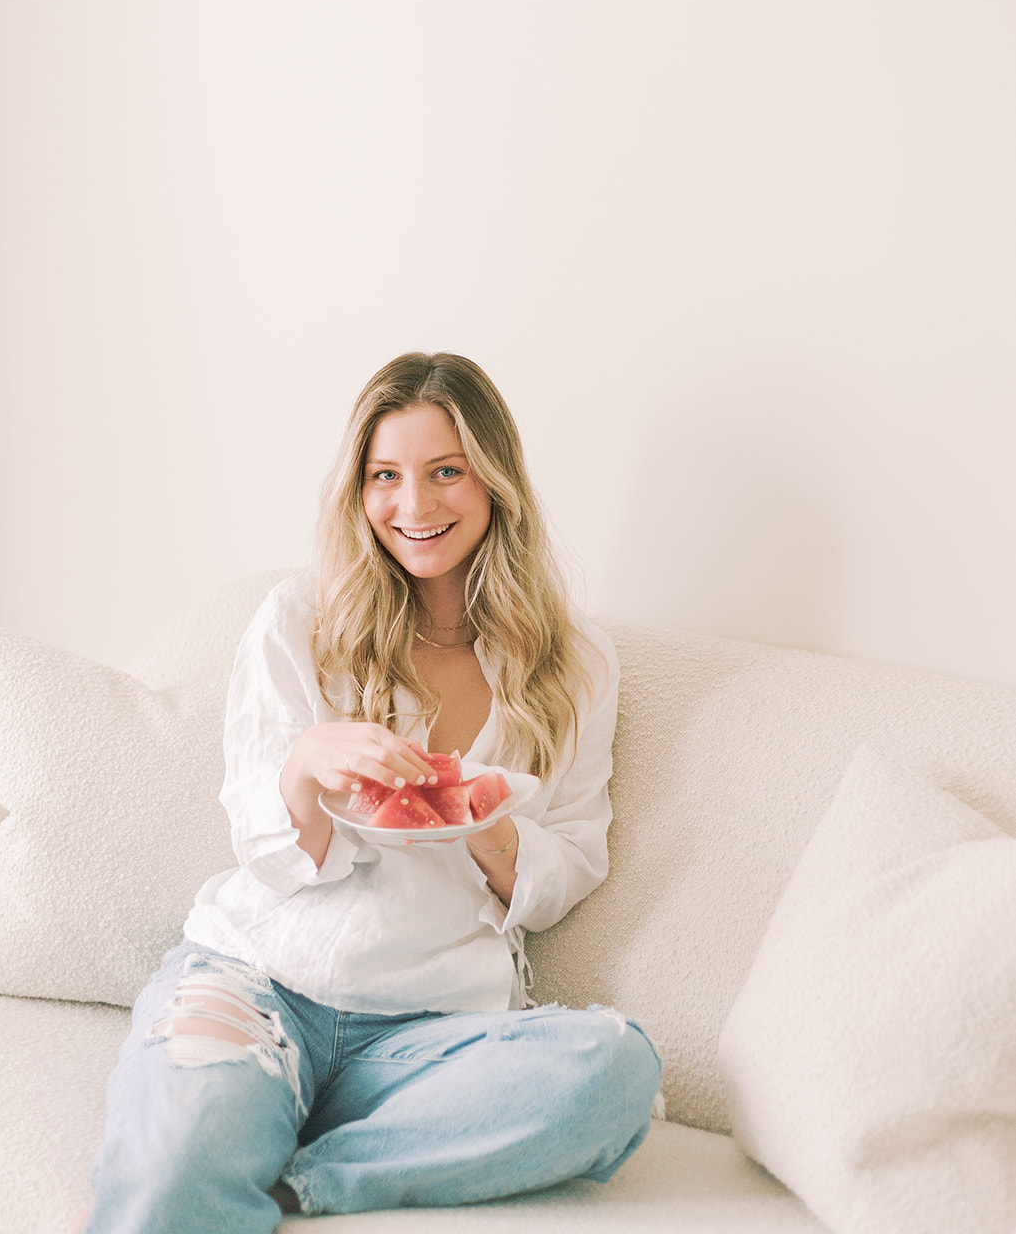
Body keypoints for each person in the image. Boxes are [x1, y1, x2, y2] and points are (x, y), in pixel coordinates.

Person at [80, 351, 661, 1231]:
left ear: (493, 482)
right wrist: (308, 764)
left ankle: (295, 1180)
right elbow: (265, 851)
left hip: (431, 1027)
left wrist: (478, 822)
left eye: (445, 473)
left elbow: (569, 865)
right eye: (385, 476)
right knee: (170, 1165)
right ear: (357, 491)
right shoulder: (300, 618)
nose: (414, 506)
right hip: (263, 981)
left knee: (613, 1069)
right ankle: (234, 1124)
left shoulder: (576, 667)